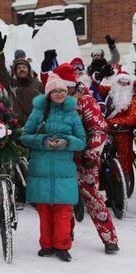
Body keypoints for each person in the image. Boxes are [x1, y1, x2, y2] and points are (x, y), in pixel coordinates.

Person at [52, 63, 119, 254]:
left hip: (84, 159)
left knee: (92, 198)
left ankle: (109, 238)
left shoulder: (86, 101)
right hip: (61, 159)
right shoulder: (54, 101)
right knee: (63, 200)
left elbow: (98, 129)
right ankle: (65, 237)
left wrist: (91, 154)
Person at [21, 73, 86, 262]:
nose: (59, 94)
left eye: (62, 91)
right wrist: (43, 141)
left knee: (63, 210)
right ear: (48, 93)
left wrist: (67, 142)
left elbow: (82, 141)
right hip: (40, 168)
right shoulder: (38, 112)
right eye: (55, 91)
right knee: (44, 211)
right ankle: (47, 245)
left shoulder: (72, 113)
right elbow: (25, 136)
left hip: (64, 171)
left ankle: (62, 245)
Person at [0, 32, 43, 126]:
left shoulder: (38, 84)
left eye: (24, 67)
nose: (22, 69)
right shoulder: (11, 84)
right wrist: (0, 52)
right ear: (15, 72)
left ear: (29, 70)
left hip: (35, 127)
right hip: (16, 128)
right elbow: (1, 71)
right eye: (19, 68)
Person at [103, 71, 136, 182]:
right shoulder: (109, 93)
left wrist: (112, 121)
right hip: (107, 132)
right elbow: (95, 86)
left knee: (124, 159)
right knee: (105, 157)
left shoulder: (133, 99)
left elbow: (132, 118)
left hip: (124, 134)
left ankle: (123, 183)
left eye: (126, 83)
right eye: (119, 82)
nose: (122, 85)